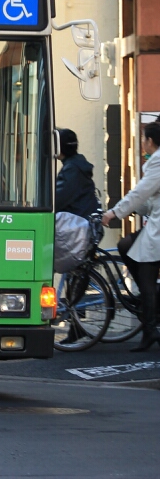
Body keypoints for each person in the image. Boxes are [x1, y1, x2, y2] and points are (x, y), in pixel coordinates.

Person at [102, 121, 160, 352]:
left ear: (150, 141)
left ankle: (150, 326)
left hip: (157, 232)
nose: (142, 143)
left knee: (145, 275)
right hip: (155, 227)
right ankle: (149, 315)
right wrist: (133, 208)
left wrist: (114, 213)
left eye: (144, 138)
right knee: (127, 246)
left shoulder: (157, 161)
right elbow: (147, 199)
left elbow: (140, 193)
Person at [55, 129, 100, 218]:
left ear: (59, 148)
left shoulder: (72, 169)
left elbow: (57, 200)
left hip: (75, 222)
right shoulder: (77, 165)